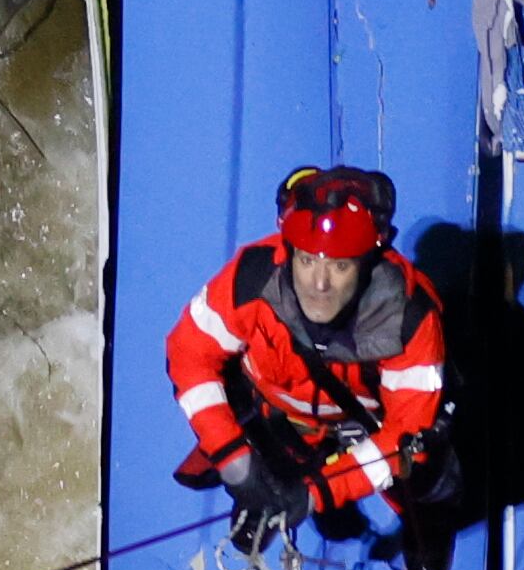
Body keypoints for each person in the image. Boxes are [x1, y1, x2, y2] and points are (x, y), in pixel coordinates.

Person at [167, 162, 451, 547]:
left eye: (339, 264)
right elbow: (189, 353)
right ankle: (264, 485)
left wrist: (318, 493)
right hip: (278, 416)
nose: (319, 283)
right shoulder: (249, 280)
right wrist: (232, 457)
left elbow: (404, 435)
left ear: (366, 261)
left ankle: (424, 517)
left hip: (363, 425)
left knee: (430, 476)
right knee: (265, 463)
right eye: (307, 260)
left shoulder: (409, 319)